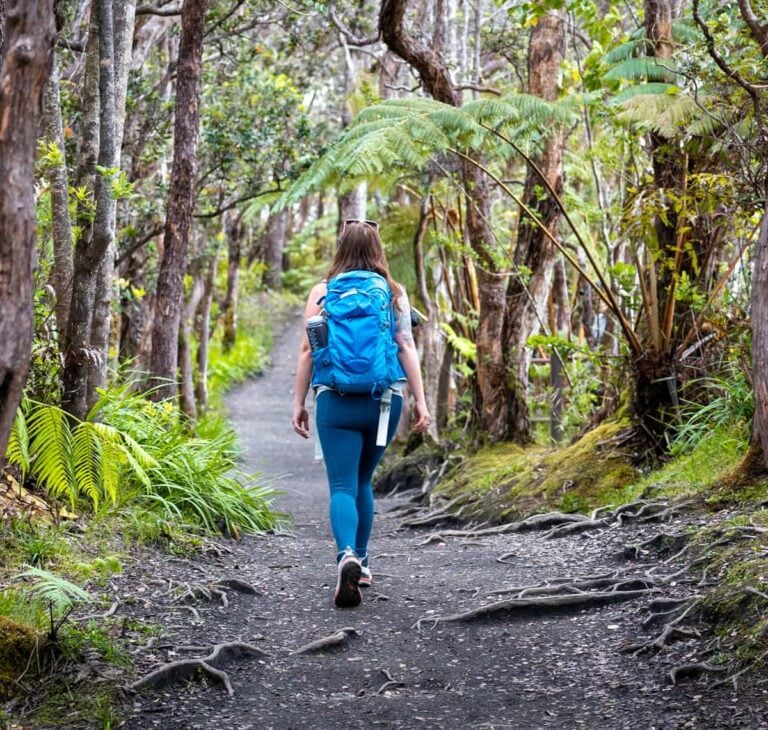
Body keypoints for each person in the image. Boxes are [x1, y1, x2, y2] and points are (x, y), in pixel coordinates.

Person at [292, 219, 430, 608]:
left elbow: (307, 351)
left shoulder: (322, 292)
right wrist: (421, 401)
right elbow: (406, 346)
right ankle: (364, 563)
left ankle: (346, 555)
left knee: (342, 486)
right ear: (378, 249)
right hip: (384, 402)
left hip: (335, 400)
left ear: (341, 248)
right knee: (364, 481)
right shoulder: (394, 293)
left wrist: (298, 403)